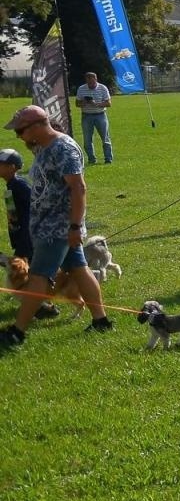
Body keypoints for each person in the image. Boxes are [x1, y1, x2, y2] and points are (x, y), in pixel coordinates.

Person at [0, 105, 113, 345]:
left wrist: (74, 227)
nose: (18, 136)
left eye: (21, 130)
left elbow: (78, 188)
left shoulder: (63, 148)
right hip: (49, 225)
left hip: (58, 227)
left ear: (37, 125)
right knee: (79, 270)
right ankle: (101, 320)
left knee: (39, 276)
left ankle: (17, 332)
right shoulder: (44, 147)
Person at [75, 72, 113, 164]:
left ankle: (108, 159)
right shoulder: (81, 89)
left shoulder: (103, 88)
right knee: (87, 139)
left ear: (96, 79)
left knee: (105, 138)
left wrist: (97, 104)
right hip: (86, 116)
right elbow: (77, 103)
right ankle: (92, 159)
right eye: (89, 83)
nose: (91, 85)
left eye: (92, 82)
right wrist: (83, 103)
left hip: (100, 115)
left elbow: (108, 103)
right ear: (86, 81)